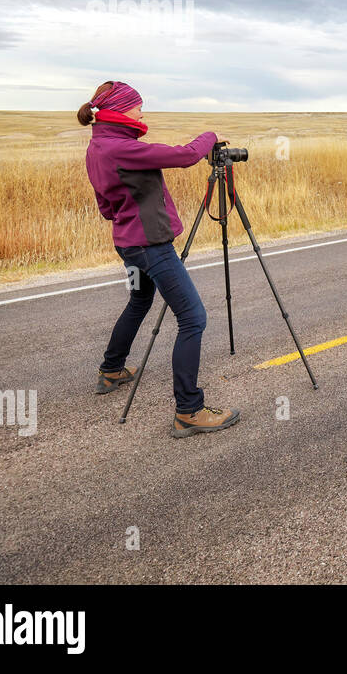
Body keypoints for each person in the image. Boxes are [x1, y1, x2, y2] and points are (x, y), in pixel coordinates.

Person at [79, 80, 241, 437]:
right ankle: (189, 410)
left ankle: (111, 369)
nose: (142, 112)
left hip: (127, 243)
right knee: (193, 317)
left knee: (139, 301)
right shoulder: (121, 148)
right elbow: (184, 156)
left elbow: (106, 208)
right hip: (151, 246)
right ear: (119, 111)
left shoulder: (97, 147)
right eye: (137, 106)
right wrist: (210, 136)